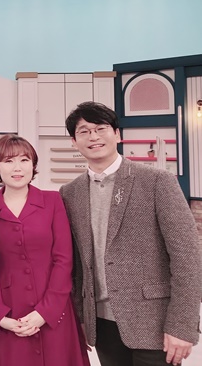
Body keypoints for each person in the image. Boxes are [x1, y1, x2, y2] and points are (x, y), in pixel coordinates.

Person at [61, 101, 202, 366]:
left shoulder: (156, 181)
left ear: (117, 134)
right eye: (84, 131)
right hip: (101, 324)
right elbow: (76, 265)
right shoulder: (70, 193)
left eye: (100, 129)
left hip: (154, 322)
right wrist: (80, 317)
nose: (93, 137)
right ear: (74, 142)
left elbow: (187, 258)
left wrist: (182, 326)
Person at [0, 134, 90, 366]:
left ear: (33, 165)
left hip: (54, 309)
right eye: (8, 161)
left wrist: (45, 312)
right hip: (10, 311)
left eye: (24, 160)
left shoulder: (53, 201)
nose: (17, 168)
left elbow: (63, 259)